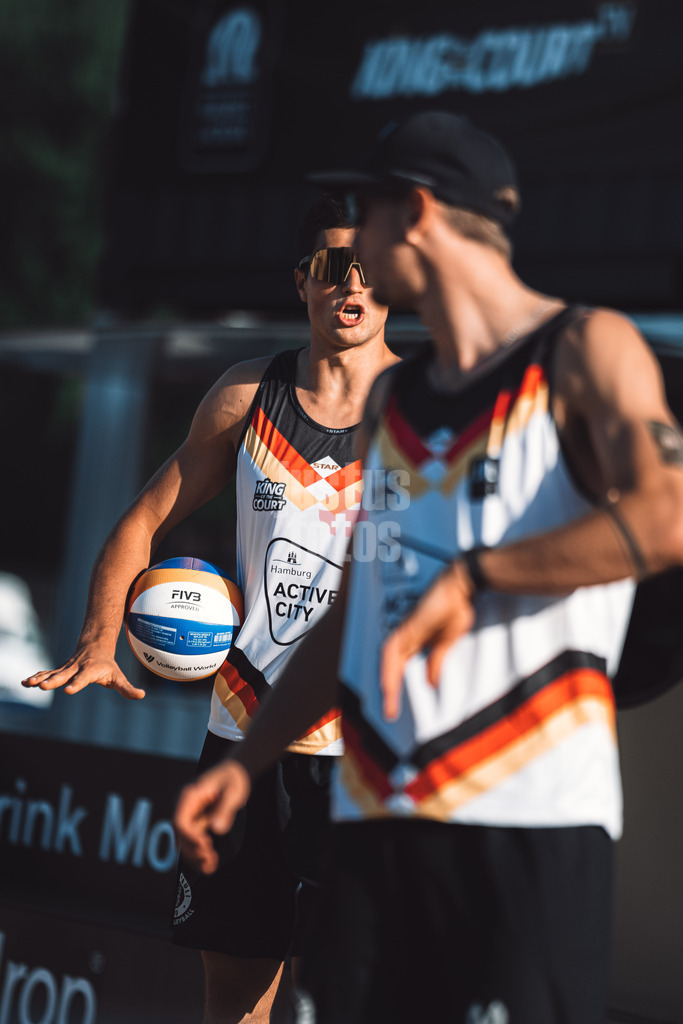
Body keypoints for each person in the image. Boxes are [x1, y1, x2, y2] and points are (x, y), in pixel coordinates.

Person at [173, 110, 683, 1024]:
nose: (355, 251)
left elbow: (667, 513)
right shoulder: (394, 403)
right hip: (379, 821)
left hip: (523, 819)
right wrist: (244, 763)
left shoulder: (584, 349)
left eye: (363, 222)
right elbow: (357, 611)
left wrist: (476, 577)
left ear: (414, 213)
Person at [22, 196, 396, 1024]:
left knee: (358, 994)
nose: (354, 285)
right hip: (245, 741)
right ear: (303, 281)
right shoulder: (246, 396)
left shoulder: (424, 411)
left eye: (372, 267)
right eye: (336, 265)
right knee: (233, 994)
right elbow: (141, 522)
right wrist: (98, 638)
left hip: (368, 751)